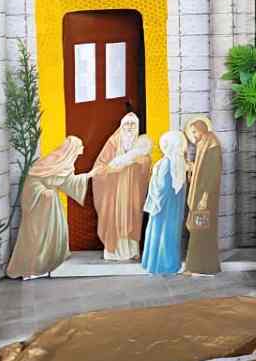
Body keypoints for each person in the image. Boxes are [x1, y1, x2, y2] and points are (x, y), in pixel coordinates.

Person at [6, 136, 96, 278]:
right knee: (37, 235)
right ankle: (35, 267)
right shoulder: (50, 161)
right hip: (39, 205)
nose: (82, 150)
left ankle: (51, 260)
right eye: (80, 147)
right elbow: (32, 180)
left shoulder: (66, 165)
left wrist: (89, 175)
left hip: (52, 205)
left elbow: (69, 182)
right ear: (72, 149)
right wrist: (43, 192)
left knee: (57, 230)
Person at [92, 113, 152, 260]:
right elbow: (99, 166)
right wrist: (112, 169)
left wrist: (142, 162)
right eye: (127, 124)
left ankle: (131, 250)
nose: (129, 127)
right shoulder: (113, 143)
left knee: (132, 217)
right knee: (114, 217)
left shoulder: (140, 144)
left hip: (132, 190)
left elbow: (146, 165)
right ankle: (113, 252)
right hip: (114, 190)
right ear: (121, 126)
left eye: (133, 124)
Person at [140, 130, 186, 274]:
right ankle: (171, 264)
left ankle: (158, 265)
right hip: (174, 206)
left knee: (160, 232)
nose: (163, 147)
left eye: (166, 144)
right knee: (170, 233)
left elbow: (163, 186)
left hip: (162, 205)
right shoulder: (180, 162)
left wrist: (157, 200)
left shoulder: (166, 162)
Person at [183, 116, 221, 275]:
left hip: (205, 197)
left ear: (203, 130)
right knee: (199, 230)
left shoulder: (212, 147)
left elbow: (212, 175)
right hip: (201, 195)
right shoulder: (204, 145)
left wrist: (204, 198)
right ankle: (201, 267)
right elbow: (201, 172)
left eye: (195, 132)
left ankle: (198, 267)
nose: (194, 136)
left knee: (200, 230)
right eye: (191, 132)